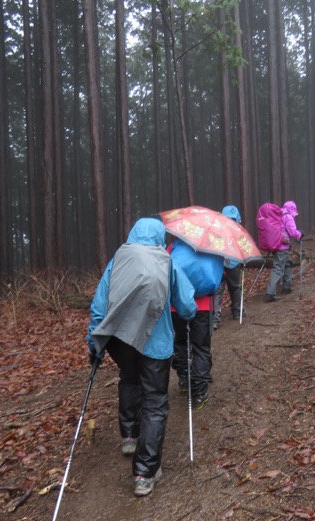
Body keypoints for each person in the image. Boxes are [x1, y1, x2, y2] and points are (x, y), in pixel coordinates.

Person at [87, 218, 197, 497]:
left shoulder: (119, 259)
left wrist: (95, 343)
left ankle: (129, 435)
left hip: (120, 340)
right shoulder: (165, 260)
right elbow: (185, 304)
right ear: (160, 236)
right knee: (155, 402)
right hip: (155, 344)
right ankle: (144, 473)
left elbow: (100, 304)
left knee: (129, 379)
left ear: (133, 233)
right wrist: (188, 315)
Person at [170, 239, 224, 409]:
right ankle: (199, 392)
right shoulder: (212, 247)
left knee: (180, 342)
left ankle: (185, 381)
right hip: (203, 306)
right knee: (201, 347)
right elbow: (220, 276)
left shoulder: (174, 246)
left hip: (176, 305)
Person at [264, 200, 303, 302]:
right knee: (278, 268)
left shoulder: (277, 214)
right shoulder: (288, 216)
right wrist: (300, 234)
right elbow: (293, 232)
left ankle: (287, 286)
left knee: (287, 263)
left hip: (276, 244)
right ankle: (271, 293)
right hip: (282, 246)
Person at [213, 205, 244, 329]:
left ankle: (215, 318)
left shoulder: (217, 228)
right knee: (235, 287)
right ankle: (237, 311)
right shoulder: (238, 229)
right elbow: (242, 245)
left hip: (219, 262)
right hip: (233, 263)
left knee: (218, 290)